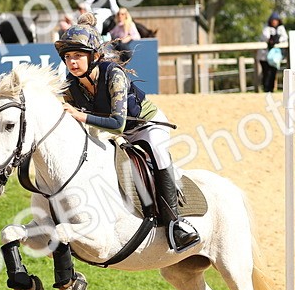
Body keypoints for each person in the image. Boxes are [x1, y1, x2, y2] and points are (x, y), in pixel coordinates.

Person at [56, 14, 201, 253]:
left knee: (158, 152)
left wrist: (80, 115)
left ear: (94, 56)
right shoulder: (71, 87)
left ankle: (176, 223)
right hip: (112, 134)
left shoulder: (113, 74)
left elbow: (118, 124)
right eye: (68, 57)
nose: (72, 62)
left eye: (78, 55)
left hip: (146, 125)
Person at [256, 12, 288, 95]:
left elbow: (285, 37)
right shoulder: (266, 28)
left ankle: (271, 90)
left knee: (273, 72)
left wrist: (277, 39)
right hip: (265, 56)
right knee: (266, 73)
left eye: (276, 20)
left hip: (275, 57)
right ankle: (266, 89)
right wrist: (271, 39)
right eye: (273, 20)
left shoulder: (281, 28)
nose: (274, 22)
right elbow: (265, 37)